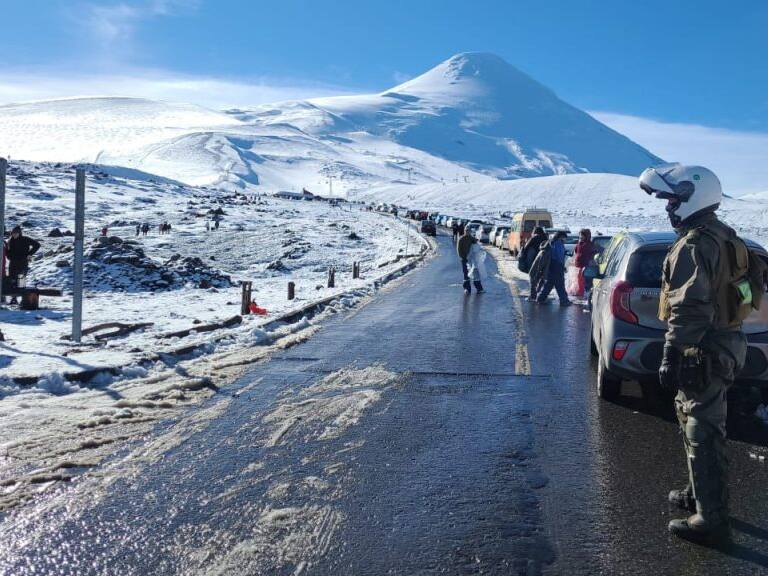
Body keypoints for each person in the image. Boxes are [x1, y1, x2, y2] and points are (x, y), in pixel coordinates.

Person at [641, 163, 765, 543]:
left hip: (704, 347)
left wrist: (671, 353)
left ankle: (712, 521)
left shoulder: (695, 244)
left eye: (673, 199)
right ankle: (700, 497)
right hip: (726, 342)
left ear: (694, 197)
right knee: (697, 423)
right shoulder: (726, 236)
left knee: (702, 430)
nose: (668, 207)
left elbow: (688, 307)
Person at [535, 231, 571, 306]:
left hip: (551, 266)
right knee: (560, 284)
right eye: (564, 238)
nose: (565, 239)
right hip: (557, 266)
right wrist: (562, 266)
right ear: (561, 237)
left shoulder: (552, 242)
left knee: (549, 284)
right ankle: (564, 301)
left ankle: (540, 298)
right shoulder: (558, 243)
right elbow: (559, 256)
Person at [6, 226, 41, 292]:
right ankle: (13, 298)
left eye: (16, 233)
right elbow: (8, 251)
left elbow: (37, 245)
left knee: (21, 281)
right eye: (13, 233)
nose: (14, 234)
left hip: (23, 262)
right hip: (13, 263)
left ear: (19, 233)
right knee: (12, 280)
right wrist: (9, 256)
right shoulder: (10, 241)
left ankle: (23, 298)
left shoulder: (25, 239)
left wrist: (29, 254)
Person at [573, 228, 600, 305]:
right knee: (579, 280)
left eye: (582, 235)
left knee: (584, 281)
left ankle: (584, 295)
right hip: (580, 265)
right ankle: (581, 293)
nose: (580, 236)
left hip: (586, 265)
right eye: (580, 235)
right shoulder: (580, 243)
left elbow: (593, 253)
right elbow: (576, 251)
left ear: (586, 236)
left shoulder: (589, 244)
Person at [456, 227, 483, 294]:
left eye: (469, 231)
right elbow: (459, 250)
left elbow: (475, 242)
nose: (467, 232)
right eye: (466, 231)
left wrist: (477, 240)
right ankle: (467, 289)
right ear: (464, 231)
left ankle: (479, 289)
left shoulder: (470, 238)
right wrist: (463, 257)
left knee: (475, 273)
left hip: (471, 260)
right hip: (464, 259)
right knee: (466, 274)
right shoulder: (461, 239)